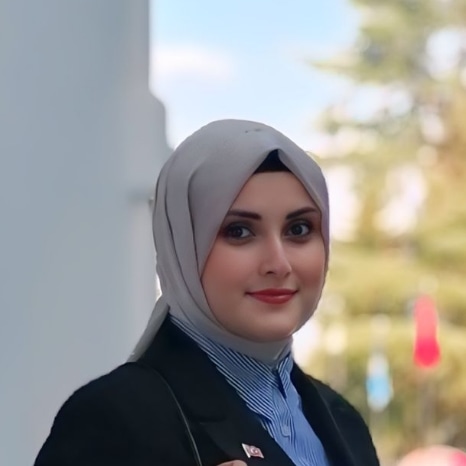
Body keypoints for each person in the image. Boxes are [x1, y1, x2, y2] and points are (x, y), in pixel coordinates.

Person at [34, 119, 380, 466]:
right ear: (183, 247)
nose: (278, 263)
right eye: (239, 231)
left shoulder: (343, 421)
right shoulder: (114, 420)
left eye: (299, 229)